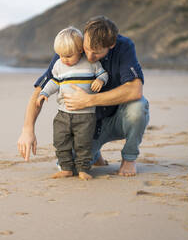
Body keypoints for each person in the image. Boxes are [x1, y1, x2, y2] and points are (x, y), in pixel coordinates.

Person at [17, 16, 149, 177]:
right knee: (68, 168)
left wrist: (89, 100)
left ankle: (129, 158)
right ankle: (96, 152)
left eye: (96, 53)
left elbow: (135, 89)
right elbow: (40, 89)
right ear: (84, 38)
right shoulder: (71, 46)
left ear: (111, 45)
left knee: (139, 106)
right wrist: (28, 129)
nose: (89, 56)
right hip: (86, 126)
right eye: (86, 48)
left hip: (117, 119)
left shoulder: (124, 46)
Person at [36, 26, 108, 180]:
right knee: (61, 141)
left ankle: (83, 169)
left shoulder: (90, 63)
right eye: (60, 55)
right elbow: (54, 81)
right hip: (63, 113)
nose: (64, 59)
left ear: (80, 50)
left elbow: (103, 73)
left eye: (68, 55)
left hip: (86, 115)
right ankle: (66, 168)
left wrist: (100, 80)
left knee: (83, 144)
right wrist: (44, 93)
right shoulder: (59, 65)